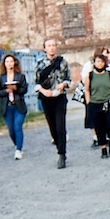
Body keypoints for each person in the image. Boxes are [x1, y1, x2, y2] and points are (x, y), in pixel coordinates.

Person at [35, 38, 72, 169]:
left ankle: (62, 154)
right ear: (44, 48)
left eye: (53, 45)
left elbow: (69, 79)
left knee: (60, 126)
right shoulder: (40, 63)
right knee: (52, 127)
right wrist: (44, 91)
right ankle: (58, 144)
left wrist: (63, 84)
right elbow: (36, 83)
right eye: (49, 46)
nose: (51, 48)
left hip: (60, 97)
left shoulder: (63, 62)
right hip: (47, 98)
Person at [0, 53, 28, 160]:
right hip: (7, 107)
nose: (9, 64)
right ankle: (17, 144)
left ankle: (18, 149)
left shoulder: (20, 76)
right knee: (11, 130)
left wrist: (15, 89)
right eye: (7, 62)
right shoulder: (1, 78)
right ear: (4, 64)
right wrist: (6, 91)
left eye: (11, 61)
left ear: (15, 63)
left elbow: (24, 90)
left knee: (17, 126)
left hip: (18, 106)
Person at [84, 54, 110, 158]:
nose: (100, 63)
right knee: (99, 126)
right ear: (94, 63)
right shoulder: (90, 75)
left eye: (102, 61)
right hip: (95, 103)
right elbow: (87, 89)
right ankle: (103, 148)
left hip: (107, 101)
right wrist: (88, 102)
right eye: (98, 61)